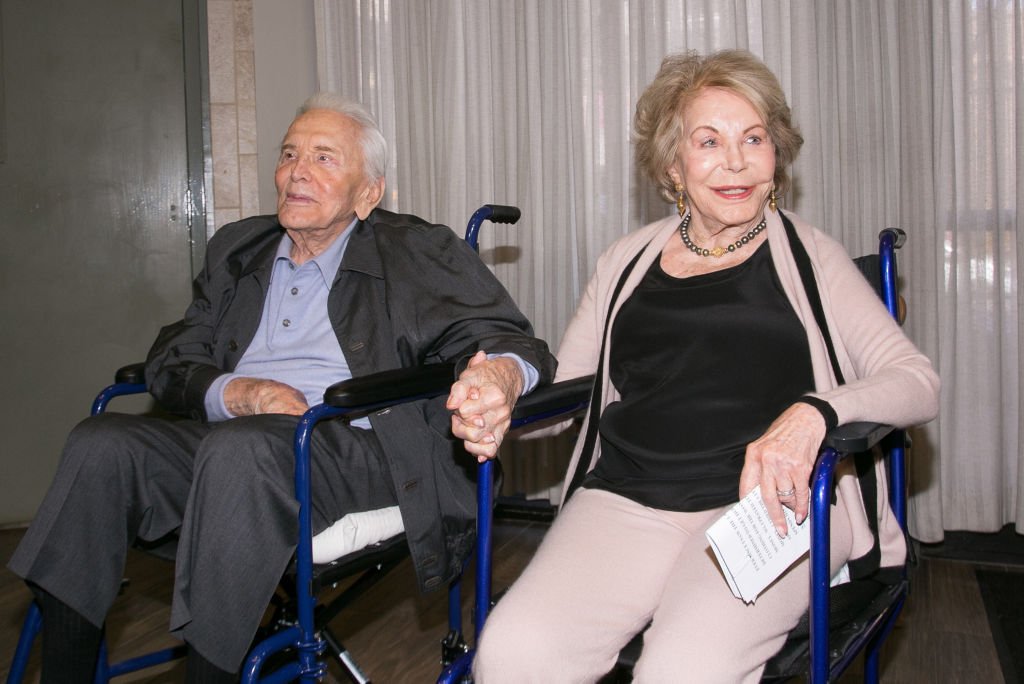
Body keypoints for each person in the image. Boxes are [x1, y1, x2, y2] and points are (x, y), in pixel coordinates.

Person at [8, 93, 556, 681]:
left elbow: (512, 342)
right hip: (240, 440)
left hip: (356, 444)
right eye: (290, 154)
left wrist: (495, 373)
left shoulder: (416, 250)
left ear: (368, 193)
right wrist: (236, 392)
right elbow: (176, 354)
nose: (298, 170)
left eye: (324, 158)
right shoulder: (239, 249)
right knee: (101, 443)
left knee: (240, 451)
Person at [471, 49, 940, 682]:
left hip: (763, 508)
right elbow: (561, 402)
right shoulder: (624, 261)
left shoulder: (811, 257)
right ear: (673, 162)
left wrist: (814, 413)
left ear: (778, 153)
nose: (737, 162)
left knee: (683, 670)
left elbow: (916, 382)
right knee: (512, 654)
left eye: (754, 138)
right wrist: (503, 388)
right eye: (709, 141)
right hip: (625, 499)